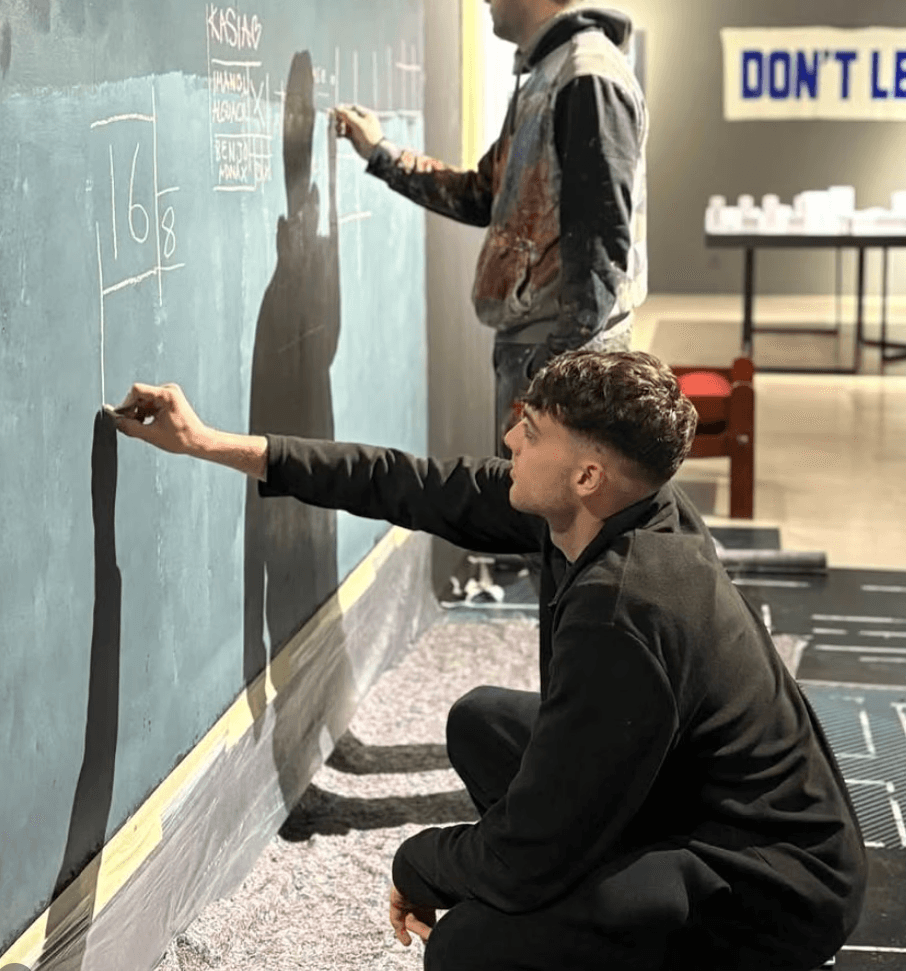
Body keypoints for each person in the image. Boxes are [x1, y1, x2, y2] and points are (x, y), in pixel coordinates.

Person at [111, 350, 867, 971]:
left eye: (530, 432)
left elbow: (529, 852)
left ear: (586, 476)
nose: (510, 441)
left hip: (770, 884)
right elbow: (406, 484)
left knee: (473, 948)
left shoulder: (622, 610)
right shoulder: (613, 509)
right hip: (677, 793)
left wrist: (419, 862)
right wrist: (208, 443)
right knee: (481, 723)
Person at [334, 0, 649, 455]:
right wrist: (382, 155)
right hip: (541, 354)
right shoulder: (548, 76)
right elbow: (485, 195)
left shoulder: (585, 78)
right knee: (521, 505)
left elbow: (600, 244)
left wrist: (555, 377)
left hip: (559, 365)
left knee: (546, 507)